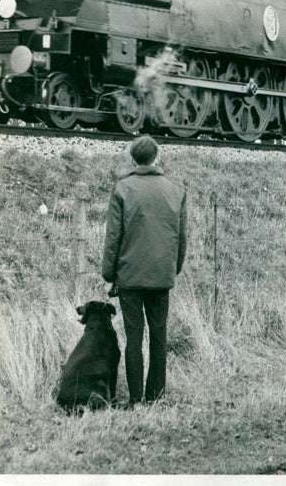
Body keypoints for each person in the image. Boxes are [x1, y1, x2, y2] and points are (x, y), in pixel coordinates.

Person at [101, 135, 187, 405]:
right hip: (162, 276)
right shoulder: (176, 190)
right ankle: (156, 396)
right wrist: (174, 269)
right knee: (159, 337)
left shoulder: (122, 189)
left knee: (134, 338)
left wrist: (109, 275)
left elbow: (113, 237)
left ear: (132, 159)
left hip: (129, 276)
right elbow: (181, 238)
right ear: (156, 158)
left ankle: (136, 398)